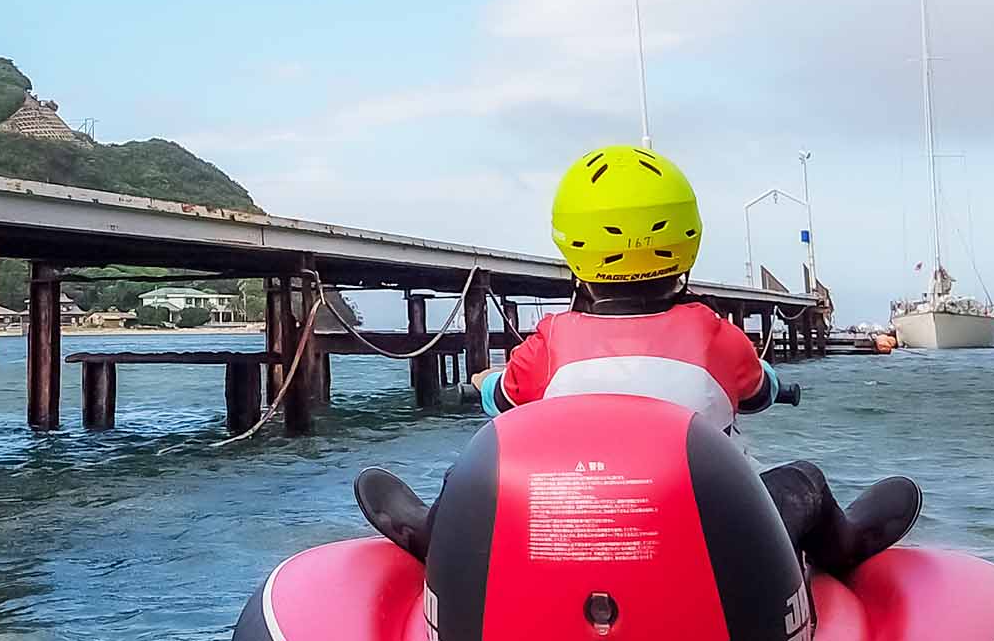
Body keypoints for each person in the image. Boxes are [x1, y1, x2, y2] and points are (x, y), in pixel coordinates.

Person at [361, 145, 919, 576]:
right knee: (806, 480)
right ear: (688, 237)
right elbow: (757, 390)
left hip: (568, 528)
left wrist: (484, 382)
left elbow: (503, 398)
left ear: (571, 243)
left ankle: (432, 537)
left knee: (469, 475)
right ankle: (843, 549)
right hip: (708, 533)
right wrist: (773, 383)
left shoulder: (553, 340)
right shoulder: (715, 335)